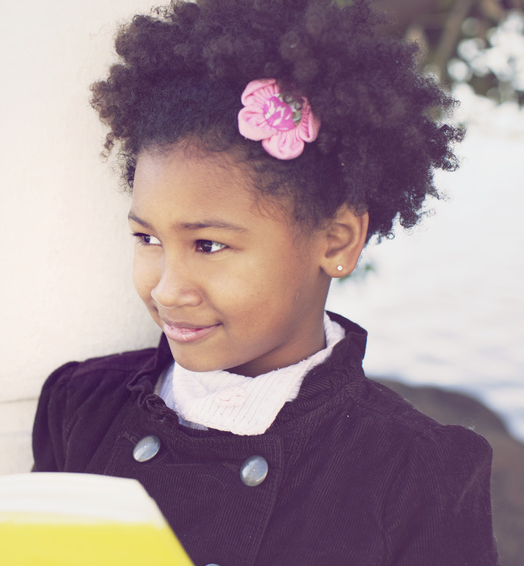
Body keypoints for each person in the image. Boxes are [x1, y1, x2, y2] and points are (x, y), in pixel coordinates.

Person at [32, 0, 498, 564]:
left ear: (337, 241)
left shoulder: (415, 472)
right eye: (148, 239)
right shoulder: (79, 407)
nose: (167, 289)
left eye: (209, 245)